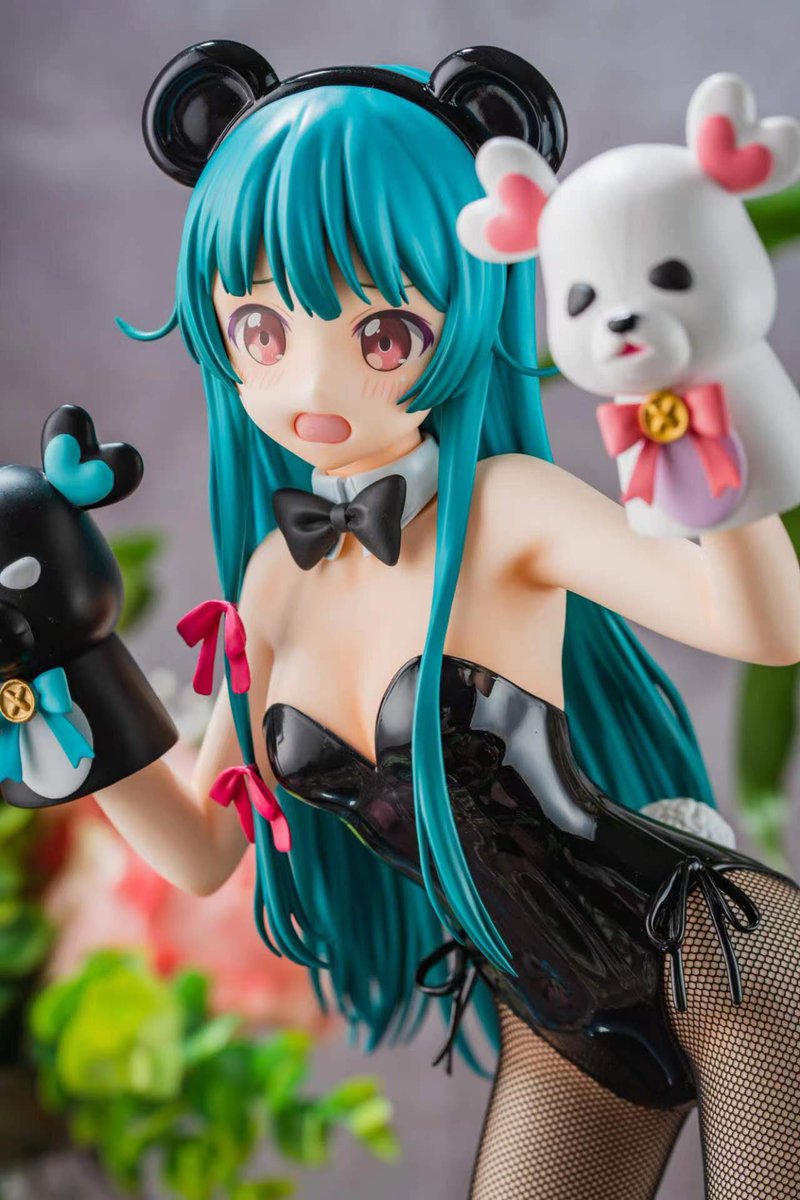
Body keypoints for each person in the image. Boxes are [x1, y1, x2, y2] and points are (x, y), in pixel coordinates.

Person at [92, 41, 799, 1199]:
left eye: (378, 335)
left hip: (724, 961)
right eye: (261, 331)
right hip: (556, 1018)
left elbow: (763, 626)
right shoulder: (272, 579)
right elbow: (203, 848)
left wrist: (703, 390)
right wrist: (65, 687)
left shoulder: (505, 509)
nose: (312, 384)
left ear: (462, 312)